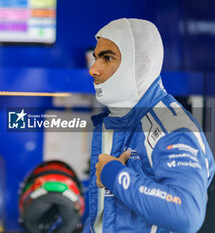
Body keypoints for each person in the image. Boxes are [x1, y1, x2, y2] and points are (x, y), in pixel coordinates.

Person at [83, 18, 215, 233]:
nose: (94, 69)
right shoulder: (120, 120)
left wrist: (114, 174)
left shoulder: (173, 127)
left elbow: (186, 213)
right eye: (96, 58)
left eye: (107, 58)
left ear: (141, 64)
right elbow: (104, 220)